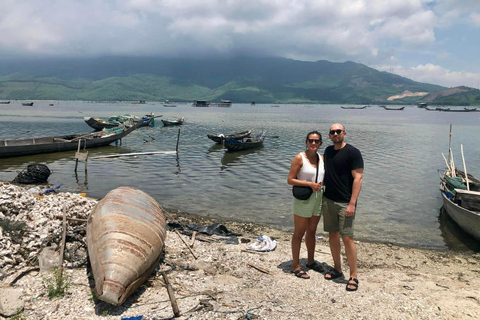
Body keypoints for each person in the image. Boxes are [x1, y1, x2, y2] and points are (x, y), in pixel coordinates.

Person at [322, 123, 363, 291]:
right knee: (333, 234)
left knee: (347, 238)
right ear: (330, 135)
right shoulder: (328, 151)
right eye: (332, 132)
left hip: (345, 202)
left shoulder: (353, 152)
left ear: (344, 133)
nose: (335, 134)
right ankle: (337, 268)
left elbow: (358, 178)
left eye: (338, 131)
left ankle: (353, 275)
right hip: (328, 200)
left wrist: (352, 203)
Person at [287, 131, 325, 279]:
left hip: (318, 198)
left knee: (312, 232)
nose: (313, 143)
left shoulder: (322, 159)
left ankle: (310, 261)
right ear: (306, 142)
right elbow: (290, 180)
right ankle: (295, 265)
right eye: (311, 140)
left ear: (320, 143)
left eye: (316, 141)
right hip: (303, 199)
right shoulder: (299, 158)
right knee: (299, 232)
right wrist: (309, 184)